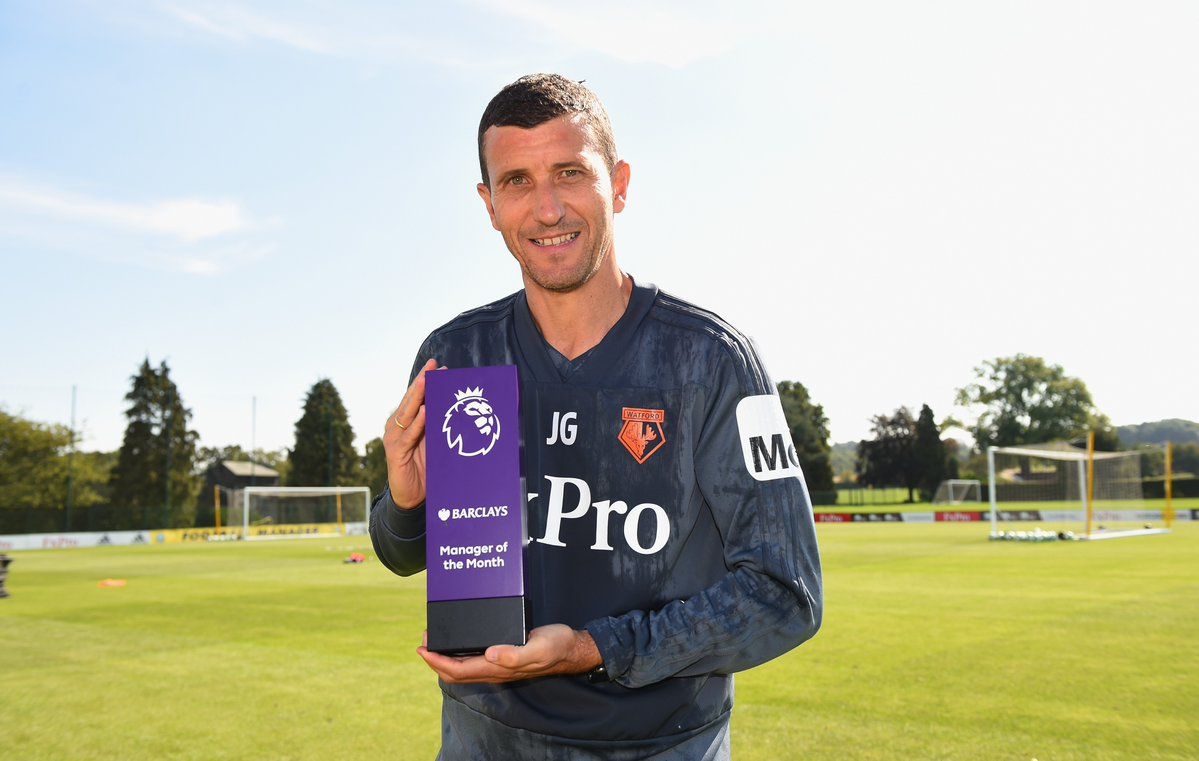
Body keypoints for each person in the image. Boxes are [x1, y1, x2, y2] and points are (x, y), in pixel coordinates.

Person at [370, 73, 822, 760]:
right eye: (517, 181)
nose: (547, 208)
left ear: (619, 182)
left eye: (569, 173)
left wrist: (591, 649)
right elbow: (403, 552)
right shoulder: (456, 357)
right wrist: (406, 502)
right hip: (482, 737)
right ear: (489, 205)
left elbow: (785, 594)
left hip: (660, 744)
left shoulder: (714, 361)